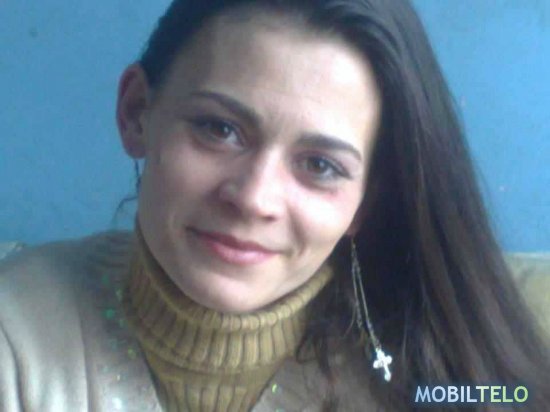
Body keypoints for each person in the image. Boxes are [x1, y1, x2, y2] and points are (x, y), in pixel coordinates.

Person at [1, 0, 549, 411]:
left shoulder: (451, 376)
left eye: (320, 166)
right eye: (219, 129)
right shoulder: (15, 333)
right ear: (137, 112)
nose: (254, 199)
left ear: (365, 202)